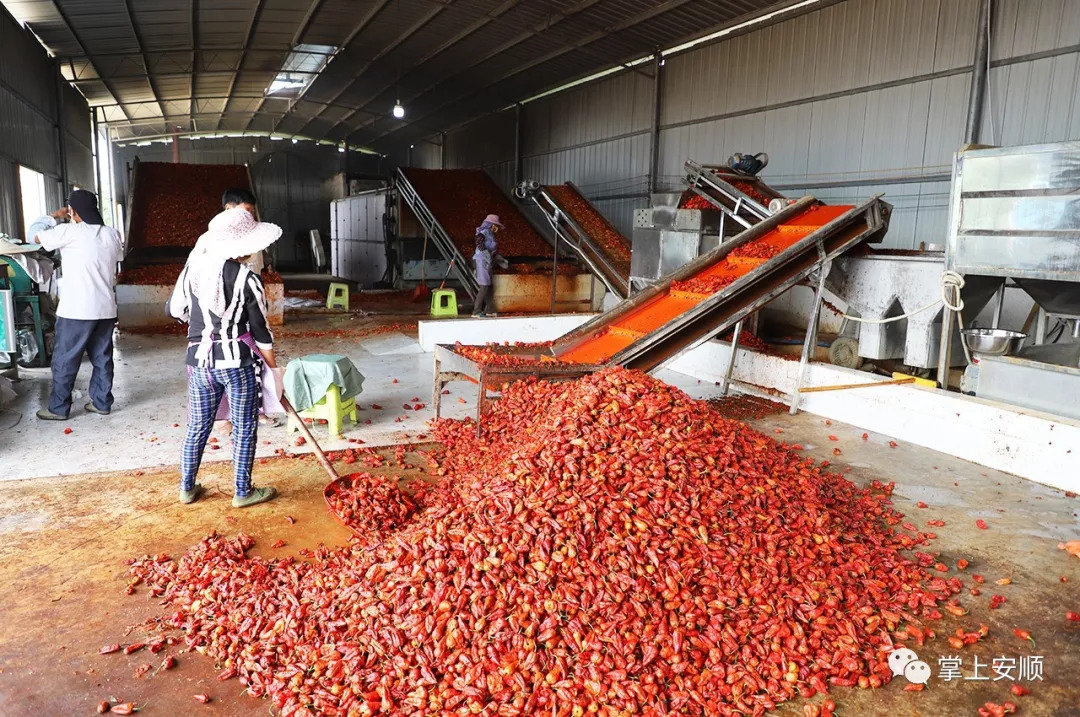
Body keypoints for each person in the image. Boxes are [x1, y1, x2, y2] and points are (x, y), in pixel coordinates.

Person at [168, 207, 281, 507]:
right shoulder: (247, 279)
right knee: (244, 428)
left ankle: (186, 488)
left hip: (199, 364)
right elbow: (262, 333)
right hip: (237, 365)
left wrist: (204, 327)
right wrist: (273, 372)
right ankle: (242, 492)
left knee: (197, 426)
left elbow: (176, 310)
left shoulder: (194, 270)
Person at [33, 189, 123, 421]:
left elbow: (33, 235)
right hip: (105, 308)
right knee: (102, 357)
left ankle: (58, 408)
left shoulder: (68, 231)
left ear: (73, 211)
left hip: (76, 310)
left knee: (65, 358)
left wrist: (53, 216)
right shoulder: (112, 234)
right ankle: (102, 403)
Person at [472, 214, 508, 318]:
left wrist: (499, 258)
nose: (496, 229)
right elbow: (478, 241)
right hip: (481, 260)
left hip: (487, 261)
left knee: (489, 286)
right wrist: (486, 253)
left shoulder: (491, 235)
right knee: (484, 286)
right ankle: (476, 311)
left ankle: (489, 310)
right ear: (490, 225)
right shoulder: (484, 231)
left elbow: (492, 249)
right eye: (495, 226)